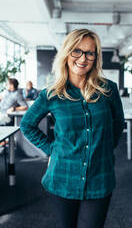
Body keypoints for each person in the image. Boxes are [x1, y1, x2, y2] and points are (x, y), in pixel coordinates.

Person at [20, 29, 124, 228]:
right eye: (77, 51)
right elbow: (27, 125)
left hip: (99, 177)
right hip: (63, 176)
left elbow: (118, 123)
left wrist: (104, 147)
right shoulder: (51, 94)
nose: (83, 58)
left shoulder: (108, 89)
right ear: (67, 53)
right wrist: (52, 149)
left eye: (89, 53)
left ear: (95, 57)